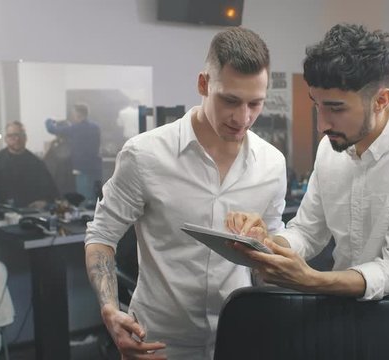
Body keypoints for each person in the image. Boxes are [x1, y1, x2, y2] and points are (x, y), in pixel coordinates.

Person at [227, 24, 389, 360]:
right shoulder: (330, 149)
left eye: (336, 109)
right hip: (338, 314)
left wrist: (309, 280)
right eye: (317, 106)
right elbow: (308, 230)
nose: (322, 124)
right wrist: (268, 245)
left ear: (381, 100)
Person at [84, 27, 287, 360]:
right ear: (204, 84)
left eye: (255, 103)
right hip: (155, 342)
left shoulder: (271, 164)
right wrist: (109, 308)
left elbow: (274, 242)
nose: (243, 117)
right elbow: (102, 234)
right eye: (230, 101)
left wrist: (266, 245)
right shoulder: (144, 155)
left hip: (240, 334)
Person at [0, 121, 58, 209]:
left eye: (20, 135)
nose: (17, 139)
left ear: (25, 138)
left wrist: (44, 202)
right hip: (4, 214)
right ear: (6, 139)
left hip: (31, 213)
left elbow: (51, 191)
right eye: (12, 136)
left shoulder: (36, 163)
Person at [45, 103, 102, 202]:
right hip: (95, 167)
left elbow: (52, 129)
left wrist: (49, 120)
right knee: (95, 197)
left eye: (73, 114)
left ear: (78, 114)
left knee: (84, 197)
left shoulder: (75, 129)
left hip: (81, 168)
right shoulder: (95, 127)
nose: (72, 116)